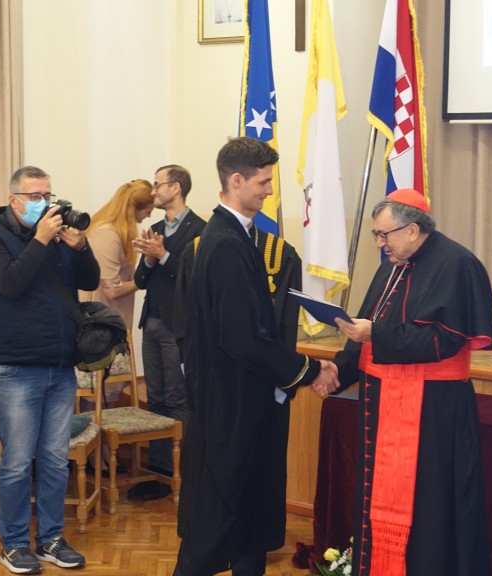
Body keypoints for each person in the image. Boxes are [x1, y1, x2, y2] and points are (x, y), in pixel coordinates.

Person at [175, 137, 338, 576]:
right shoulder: (226, 242)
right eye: (263, 182)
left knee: (245, 513)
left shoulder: (232, 236)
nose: (269, 190)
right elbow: (242, 337)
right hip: (231, 404)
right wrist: (308, 370)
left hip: (240, 396)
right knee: (217, 520)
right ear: (236, 180)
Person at [332, 188, 492, 576]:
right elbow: (366, 329)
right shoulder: (392, 265)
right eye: (376, 234)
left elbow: (446, 340)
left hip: (434, 412)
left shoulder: (457, 264)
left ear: (411, 229)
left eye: (383, 234)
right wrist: (337, 372)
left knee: (430, 502)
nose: (379, 243)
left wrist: (375, 334)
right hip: (384, 403)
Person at [0, 165, 97, 574]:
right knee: (18, 462)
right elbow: (11, 283)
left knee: (56, 460)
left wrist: (80, 247)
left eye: (48, 195)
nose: (44, 202)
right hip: (15, 367)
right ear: (14, 200)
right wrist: (40, 240)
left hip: (59, 365)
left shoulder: (56, 239)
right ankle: (14, 544)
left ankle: (51, 538)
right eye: (35, 196)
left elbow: (90, 279)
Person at [130, 165, 206, 499]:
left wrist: (162, 255)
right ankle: (159, 473)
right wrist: (149, 260)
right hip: (152, 323)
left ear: (175, 188)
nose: (153, 191)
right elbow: (140, 280)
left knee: (177, 399)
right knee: (156, 398)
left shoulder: (201, 230)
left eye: (157, 184)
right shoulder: (156, 229)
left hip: (179, 328)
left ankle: (180, 473)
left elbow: (195, 278)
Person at [79, 178, 154, 413]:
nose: (147, 217)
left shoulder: (112, 231)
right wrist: (142, 279)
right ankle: (97, 437)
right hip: (100, 328)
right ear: (134, 209)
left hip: (109, 324)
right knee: (98, 398)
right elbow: (112, 289)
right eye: (147, 212)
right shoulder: (108, 234)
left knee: (107, 395)